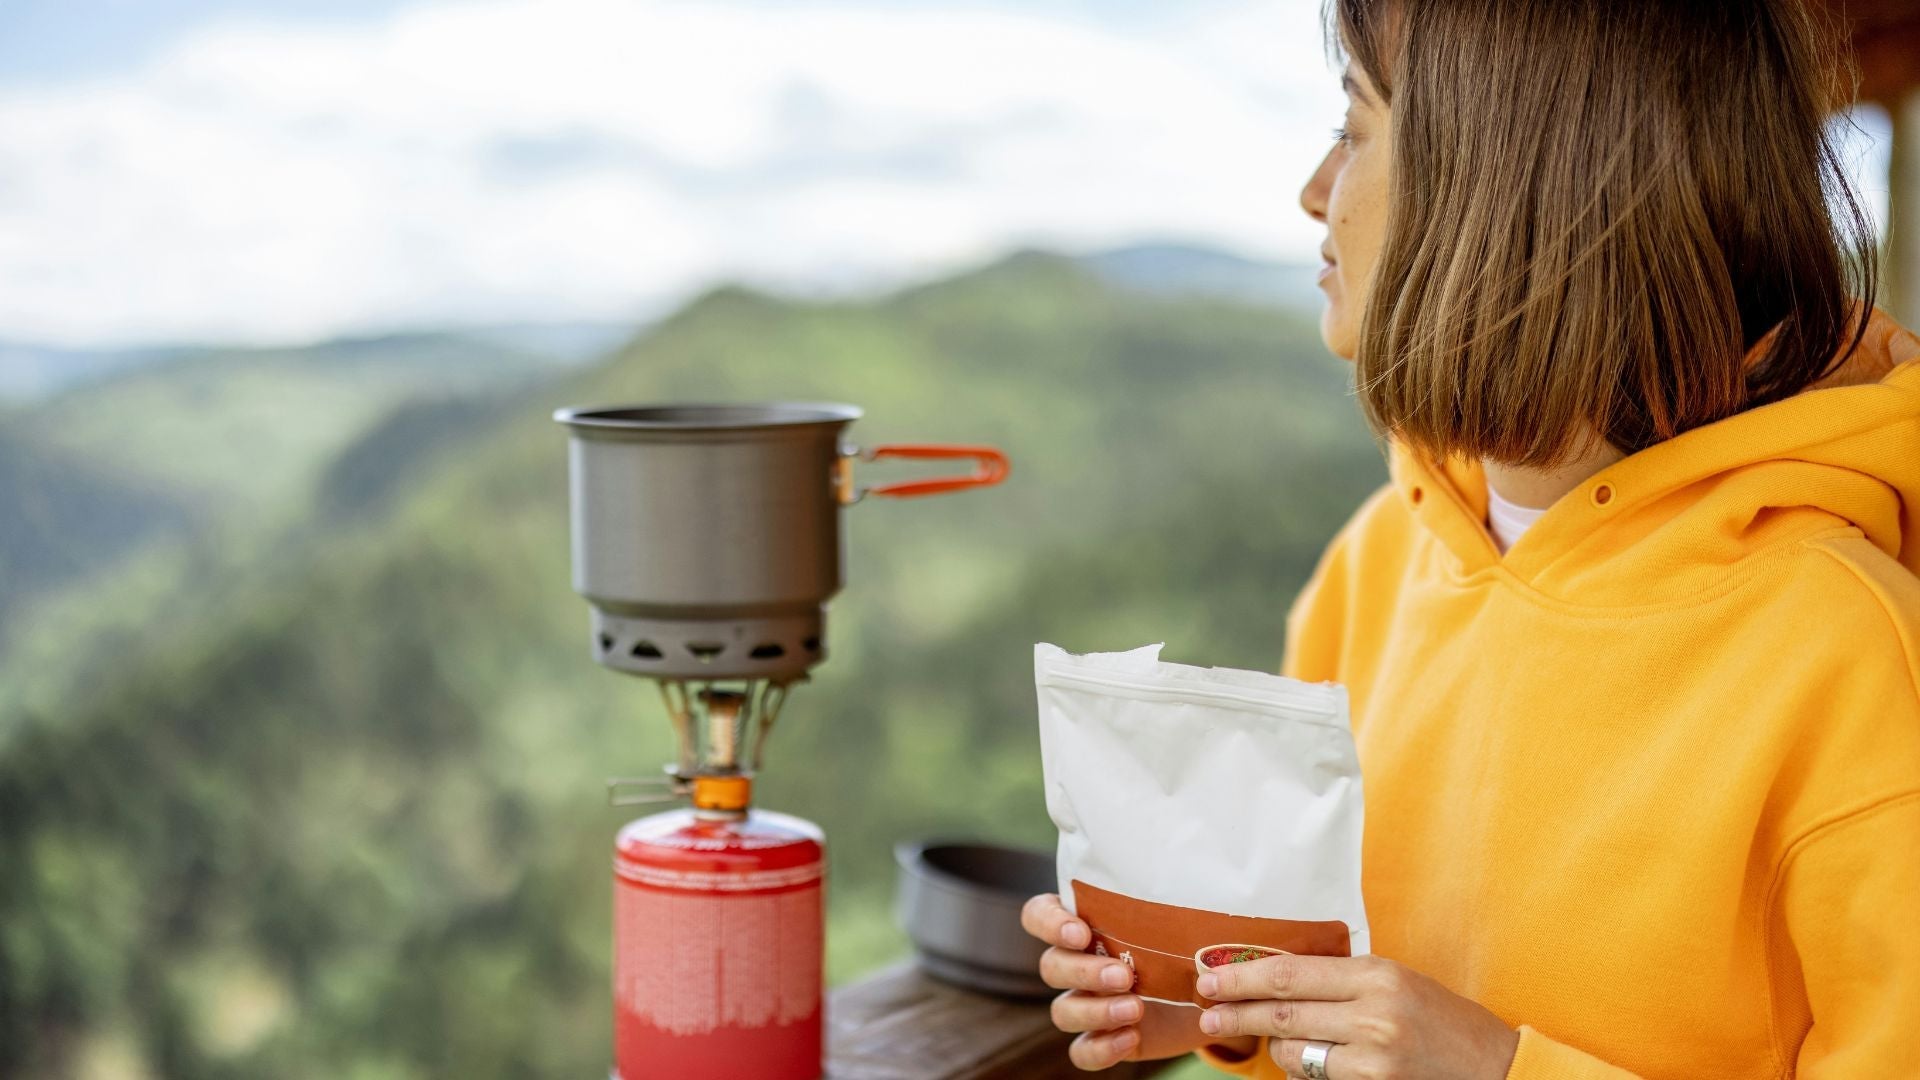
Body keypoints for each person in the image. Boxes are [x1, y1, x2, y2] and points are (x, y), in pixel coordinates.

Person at [1020, 0, 1920, 1076]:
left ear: (1502, 186)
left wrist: (1500, 1069)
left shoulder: (1851, 653)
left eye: (1353, 127)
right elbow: (1359, 1001)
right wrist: (1227, 1009)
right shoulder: (1380, 560)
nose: (1315, 188)